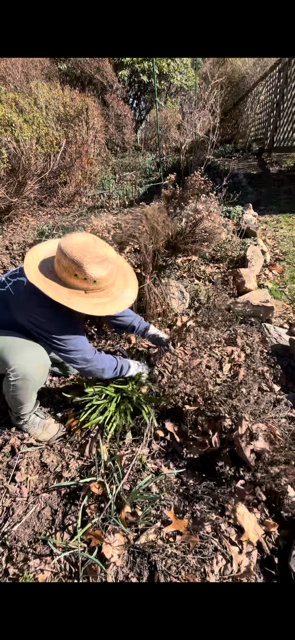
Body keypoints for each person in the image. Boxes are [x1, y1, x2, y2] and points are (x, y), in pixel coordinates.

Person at [0, 232, 171, 444]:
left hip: (19, 322)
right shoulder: (46, 310)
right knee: (32, 363)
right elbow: (89, 363)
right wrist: (134, 368)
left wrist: (148, 330)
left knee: (68, 366)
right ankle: (23, 415)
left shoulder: (60, 271)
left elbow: (106, 301)